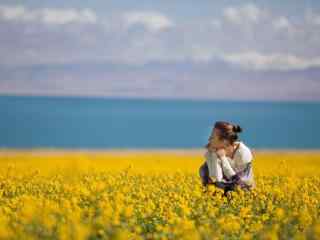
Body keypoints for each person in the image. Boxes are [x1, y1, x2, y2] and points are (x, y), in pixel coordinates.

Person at [199, 121, 255, 195]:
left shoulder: (242, 154)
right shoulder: (216, 152)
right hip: (226, 190)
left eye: (212, 137)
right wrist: (212, 156)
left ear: (224, 141)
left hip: (242, 191)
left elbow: (239, 183)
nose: (209, 139)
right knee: (204, 169)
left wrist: (222, 158)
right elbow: (215, 178)